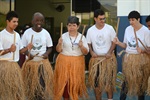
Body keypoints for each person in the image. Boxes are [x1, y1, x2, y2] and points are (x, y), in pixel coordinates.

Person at [113, 10, 150, 100]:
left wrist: (143, 51)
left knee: (140, 84)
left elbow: (149, 49)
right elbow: (125, 45)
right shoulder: (128, 29)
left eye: (133, 20)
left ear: (138, 19)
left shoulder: (146, 31)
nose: (131, 22)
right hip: (129, 60)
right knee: (125, 82)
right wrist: (118, 43)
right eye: (129, 20)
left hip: (141, 60)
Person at [53, 16, 89, 100]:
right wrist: (59, 43)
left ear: (78, 26)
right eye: (69, 25)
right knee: (65, 85)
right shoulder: (63, 36)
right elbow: (58, 50)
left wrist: (82, 46)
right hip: (64, 63)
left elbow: (86, 52)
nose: (71, 28)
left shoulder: (82, 37)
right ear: (67, 26)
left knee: (75, 84)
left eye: (73, 25)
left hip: (77, 64)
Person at [21, 12, 54, 100]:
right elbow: (22, 49)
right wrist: (28, 54)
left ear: (43, 22)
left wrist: (46, 54)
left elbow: (50, 47)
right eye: (37, 20)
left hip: (42, 64)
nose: (39, 22)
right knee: (31, 88)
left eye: (41, 20)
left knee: (41, 87)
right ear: (32, 21)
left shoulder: (46, 33)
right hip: (30, 64)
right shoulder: (27, 33)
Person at [86, 9, 117, 100]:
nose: (103, 21)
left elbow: (114, 42)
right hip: (97, 60)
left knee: (109, 83)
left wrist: (109, 52)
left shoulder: (110, 28)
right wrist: (91, 52)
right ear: (95, 19)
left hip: (108, 59)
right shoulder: (90, 30)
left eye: (104, 19)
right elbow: (88, 43)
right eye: (100, 19)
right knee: (97, 84)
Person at [0, 11, 28, 100]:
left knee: (17, 92)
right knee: (5, 92)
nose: (16, 24)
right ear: (8, 22)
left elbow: (20, 50)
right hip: (4, 66)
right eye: (14, 21)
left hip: (15, 67)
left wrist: (27, 48)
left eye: (17, 22)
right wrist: (9, 50)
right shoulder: (1, 35)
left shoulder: (17, 35)